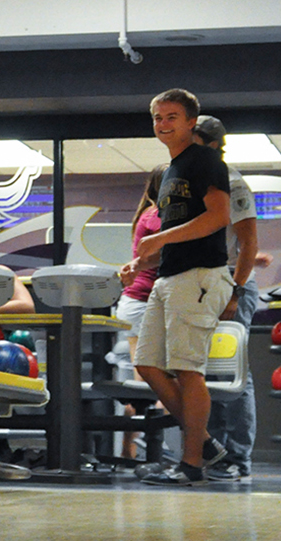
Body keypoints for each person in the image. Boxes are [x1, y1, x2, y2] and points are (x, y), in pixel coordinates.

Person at [119, 89, 233, 487]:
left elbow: (218, 217)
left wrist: (161, 241)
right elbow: (175, 233)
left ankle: (191, 465)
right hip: (168, 278)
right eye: (157, 118)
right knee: (147, 364)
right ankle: (202, 442)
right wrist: (141, 261)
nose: (163, 124)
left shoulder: (205, 161)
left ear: (190, 123)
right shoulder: (170, 171)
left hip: (199, 276)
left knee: (187, 370)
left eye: (172, 117)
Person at [194, 115, 261, 481]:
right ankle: (215, 452)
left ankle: (238, 457)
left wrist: (235, 290)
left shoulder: (233, 184)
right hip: (202, 285)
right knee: (206, 374)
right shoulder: (193, 183)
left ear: (213, 145)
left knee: (234, 374)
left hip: (232, 284)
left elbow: (249, 243)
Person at [115, 164, 168, 461]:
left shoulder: (152, 214)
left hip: (146, 303)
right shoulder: (156, 216)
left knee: (148, 383)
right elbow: (172, 249)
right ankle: (139, 453)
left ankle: (135, 452)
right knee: (148, 384)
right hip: (141, 304)